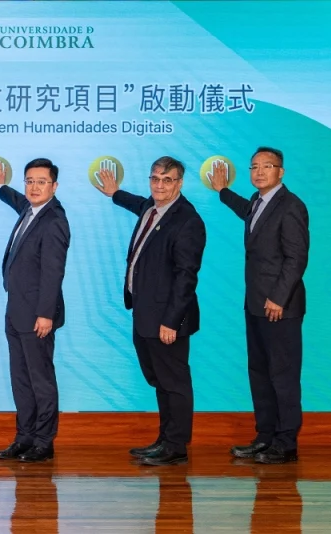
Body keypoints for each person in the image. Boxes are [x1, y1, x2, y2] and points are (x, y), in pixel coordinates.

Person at [94, 156, 206, 466]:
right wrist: (115, 193)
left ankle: (176, 446)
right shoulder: (151, 208)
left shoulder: (187, 221)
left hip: (167, 320)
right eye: (155, 178)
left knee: (174, 382)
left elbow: (186, 277)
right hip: (145, 313)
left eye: (167, 180)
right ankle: (165, 439)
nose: (160, 185)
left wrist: (171, 321)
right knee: (160, 380)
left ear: (179, 183)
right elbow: (137, 203)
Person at [208, 148, 309, 465]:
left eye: (267, 166)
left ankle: (285, 443)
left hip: (280, 307)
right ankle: (265, 437)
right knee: (260, 374)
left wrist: (279, 297)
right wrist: (223, 191)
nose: (260, 172)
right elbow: (247, 212)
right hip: (255, 303)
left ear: (281, 171)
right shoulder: (257, 201)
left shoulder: (291, 206)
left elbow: (296, 258)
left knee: (283, 376)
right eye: (254, 167)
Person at [0, 158, 70, 463]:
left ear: (54, 186)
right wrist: (0, 186)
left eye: (41, 182)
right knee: (21, 380)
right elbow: (17, 199)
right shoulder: (30, 209)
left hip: (37, 317)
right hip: (16, 311)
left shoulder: (54, 221)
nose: (34, 187)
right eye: (29, 181)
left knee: (41, 381)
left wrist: (45, 314)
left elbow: (53, 273)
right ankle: (24, 437)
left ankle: (43, 442)